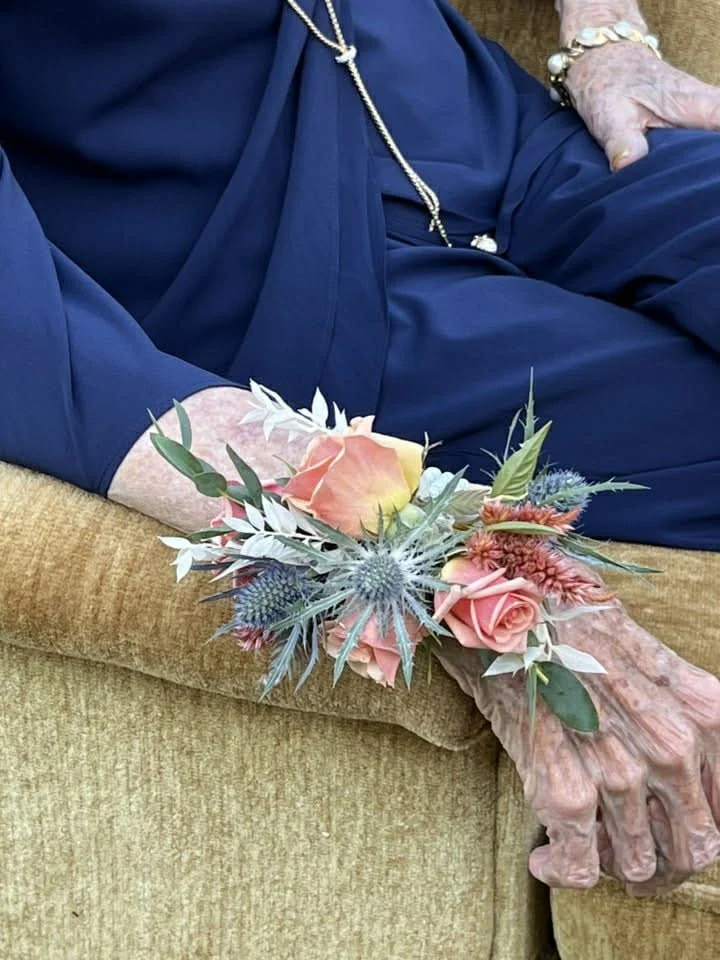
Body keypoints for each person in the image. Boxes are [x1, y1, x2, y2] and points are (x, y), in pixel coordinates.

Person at [1, 0, 719, 895]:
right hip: (296, 295)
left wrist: (606, 39)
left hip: (512, 132)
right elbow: (32, 340)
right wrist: (451, 564)